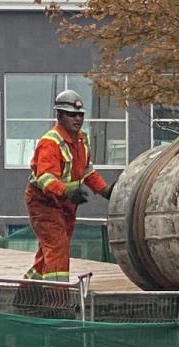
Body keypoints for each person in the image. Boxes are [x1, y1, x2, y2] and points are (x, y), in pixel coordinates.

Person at [23, 90, 113, 282]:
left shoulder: (82, 140)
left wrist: (105, 190)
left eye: (80, 114)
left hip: (65, 205)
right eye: (72, 114)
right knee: (58, 247)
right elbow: (44, 178)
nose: (78, 118)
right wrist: (66, 191)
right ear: (60, 116)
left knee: (51, 249)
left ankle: (28, 294)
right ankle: (57, 302)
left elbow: (86, 170)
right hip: (44, 203)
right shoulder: (50, 142)